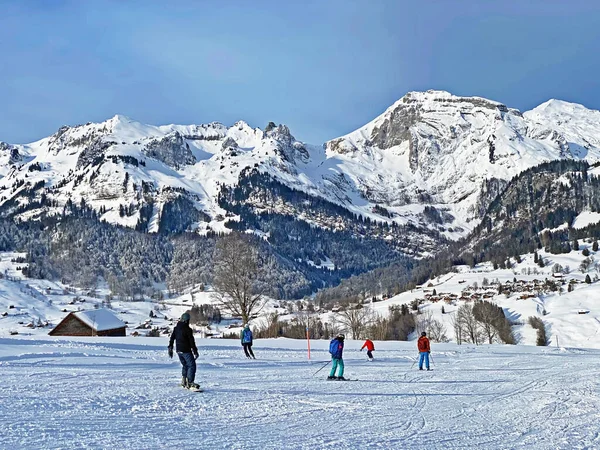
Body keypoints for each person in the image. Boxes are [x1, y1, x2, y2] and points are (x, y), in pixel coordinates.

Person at [168, 312, 200, 390]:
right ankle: (190, 382)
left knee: (185, 365)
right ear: (186, 320)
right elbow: (191, 341)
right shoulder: (187, 329)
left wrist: (170, 347)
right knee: (192, 365)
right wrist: (195, 351)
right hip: (186, 351)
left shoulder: (176, 328)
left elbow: (172, 338)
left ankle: (184, 381)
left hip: (178, 351)